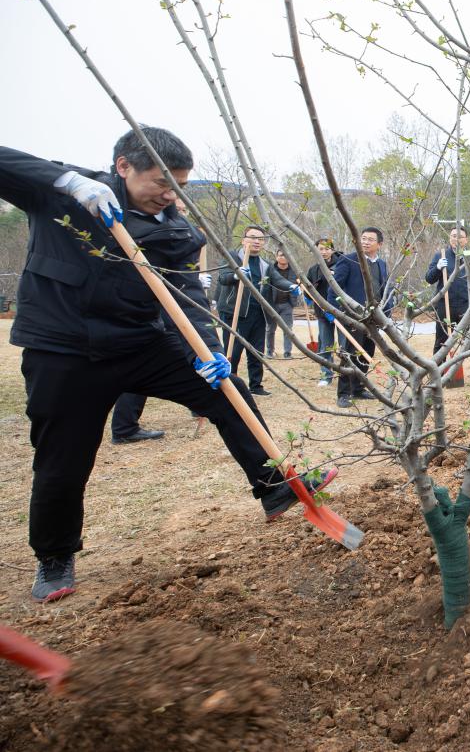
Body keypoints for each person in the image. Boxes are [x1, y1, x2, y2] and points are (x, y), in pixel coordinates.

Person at [0, 129, 335, 603]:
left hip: (139, 342)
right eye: (161, 182)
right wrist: (67, 181)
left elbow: (187, 295)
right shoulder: (65, 195)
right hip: (63, 348)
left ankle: (274, 486)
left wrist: (210, 352)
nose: (169, 194)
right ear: (123, 167)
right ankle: (54, 557)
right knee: (63, 456)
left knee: (226, 393)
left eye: (178, 185)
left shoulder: (176, 229)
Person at [332, 227, 390, 408]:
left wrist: (386, 313)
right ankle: (344, 393)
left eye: (370, 239)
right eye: (363, 238)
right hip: (353, 316)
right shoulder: (348, 260)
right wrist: (335, 312)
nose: (365, 242)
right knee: (350, 353)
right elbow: (335, 288)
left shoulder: (381, 264)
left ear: (379, 244)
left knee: (367, 352)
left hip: (374, 317)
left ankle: (358, 388)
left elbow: (384, 289)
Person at [216, 225, 272, 396]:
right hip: (235, 313)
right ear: (243, 240)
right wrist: (236, 274)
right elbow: (222, 278)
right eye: (253, 237)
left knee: (256, 351)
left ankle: (256, 385)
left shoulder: (265, 264)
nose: (257, 241)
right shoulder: (232, 257)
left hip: (258, 313)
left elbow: (276, 280)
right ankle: (230, 384)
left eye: (260, 239)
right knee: (233, 351)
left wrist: (292, 286)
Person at [425, 226, 470, 357]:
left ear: (466, 240)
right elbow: (429, 279)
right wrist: (437, 267)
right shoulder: (440, 255)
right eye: (453, 236)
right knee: (441, 342)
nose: (456, 239)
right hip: (445, 305)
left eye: (460, 237)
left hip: (466, 306)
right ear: (449, 238)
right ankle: (438, 368)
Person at [305, 237, 342, 386]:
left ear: (332, 250)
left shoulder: (341, 265)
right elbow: (308, 289)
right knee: (325, 345)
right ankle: (326, 376)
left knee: (345, 346)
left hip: (342, 313)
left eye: (327, 249)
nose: (324, 252)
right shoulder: (313, 270)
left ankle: (347, 375)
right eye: (320, 249)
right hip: (322, 313)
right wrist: (306, 295)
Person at [264, 248, 301, 358]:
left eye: (285, 255)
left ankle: (287, 353)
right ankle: (270, 352)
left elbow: (300, 284)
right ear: (276, 257)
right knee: (270, 329)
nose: (283, 257)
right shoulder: (270, 270)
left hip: (287, 304)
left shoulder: (294, 271)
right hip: (272, 304)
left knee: (288, 329)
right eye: (280, 255)